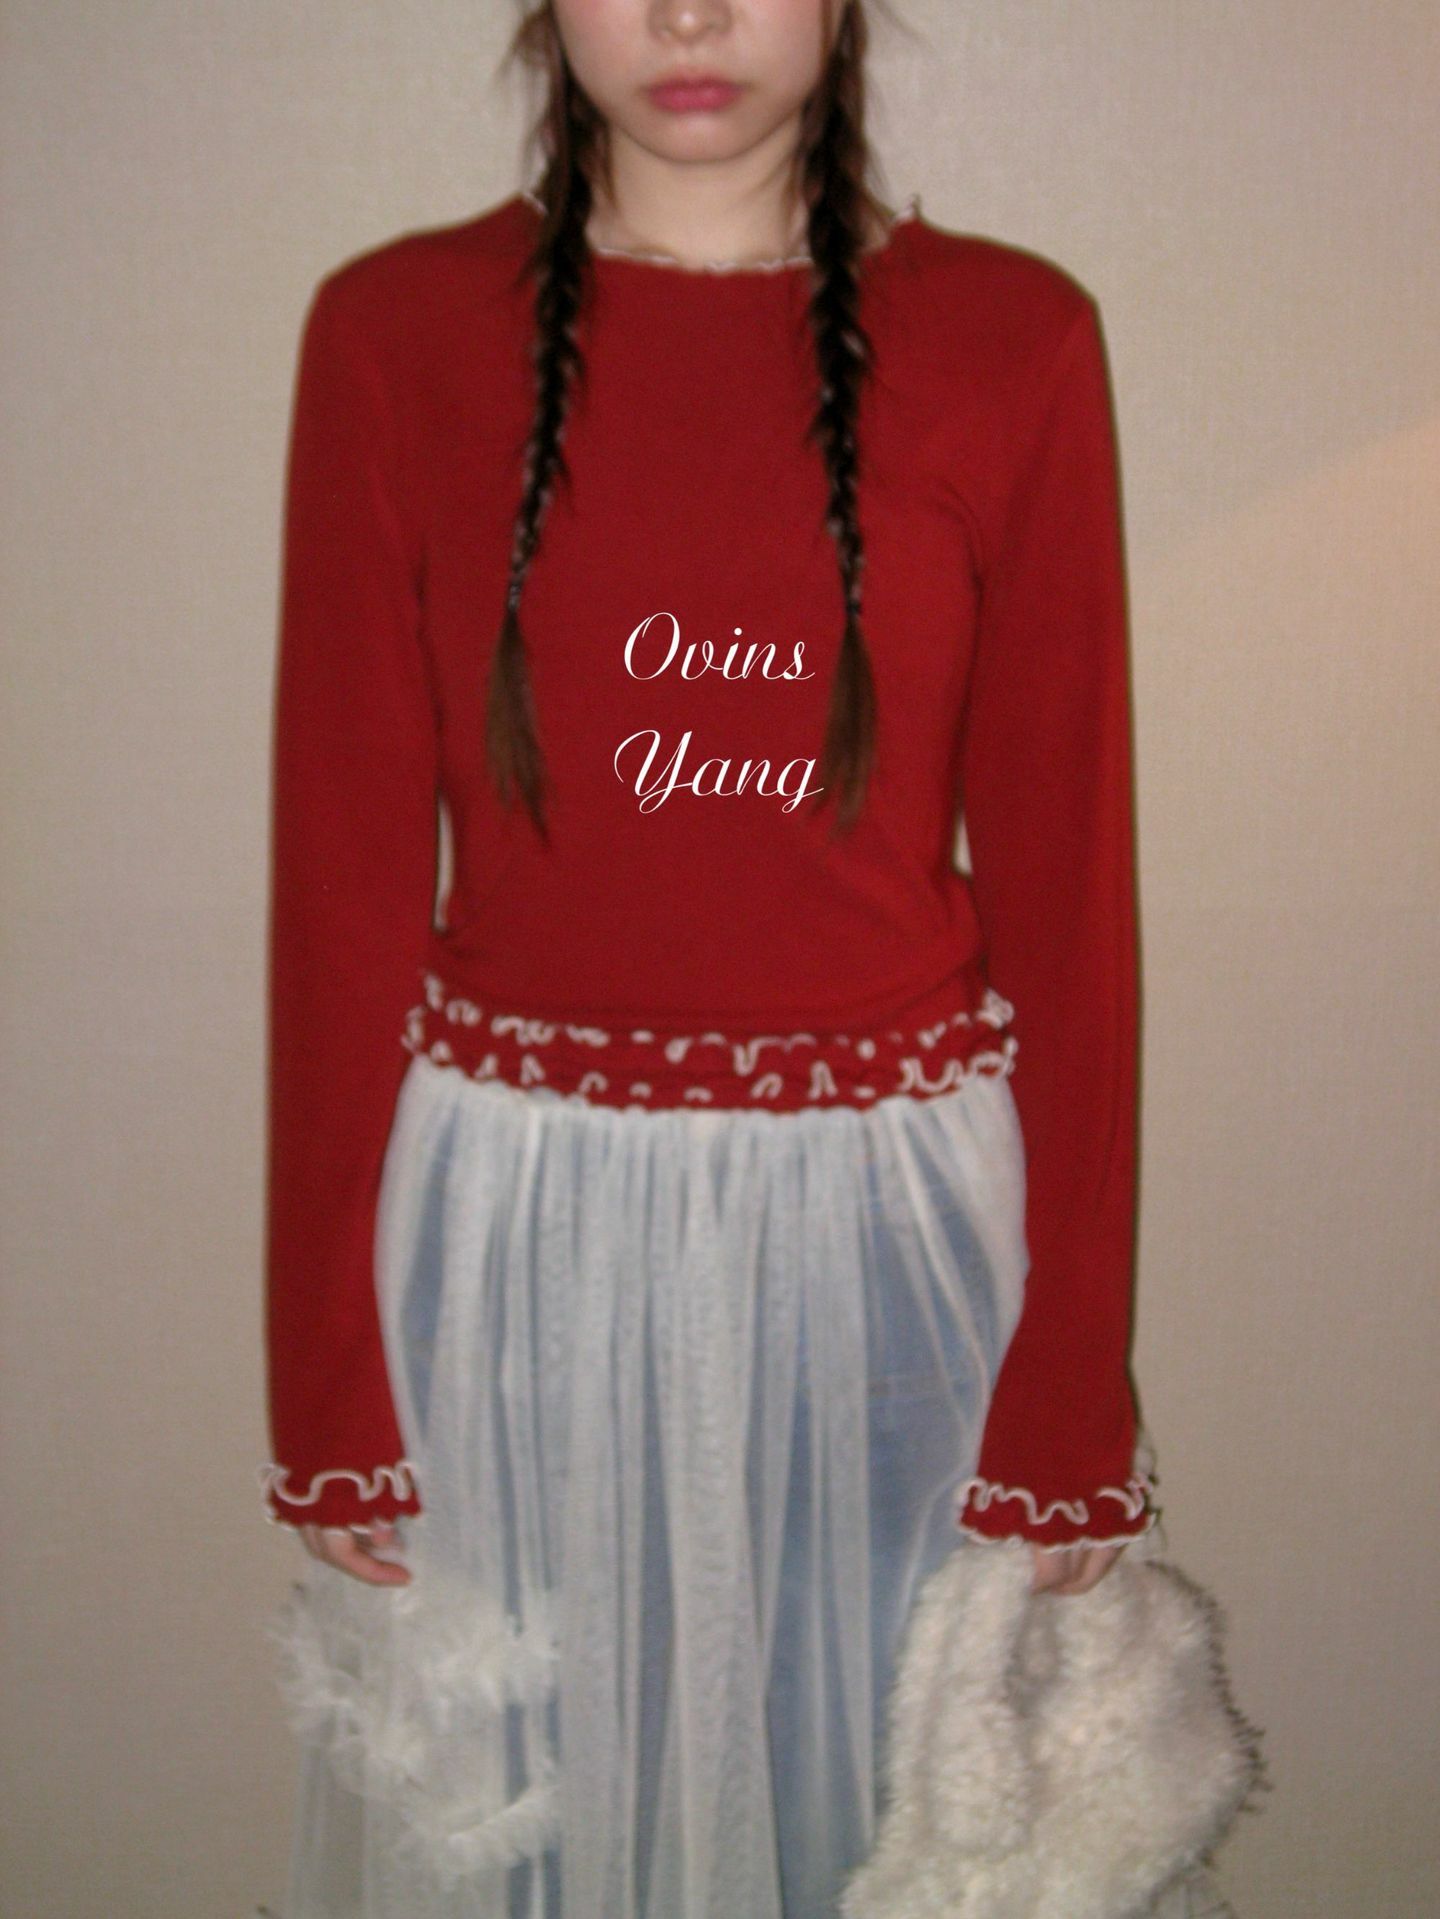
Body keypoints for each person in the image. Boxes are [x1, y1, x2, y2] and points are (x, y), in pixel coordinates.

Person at [257, 2, 1160, 1913]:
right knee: (545, 1814)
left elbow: (1074, 890)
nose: (687, 14)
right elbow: (338, 882)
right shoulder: (394, 336)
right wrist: (322, 1366)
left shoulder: (1013, 341)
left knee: (882, 1801)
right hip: (517, 1232)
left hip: (887, 1234)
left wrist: (1074, 1371)